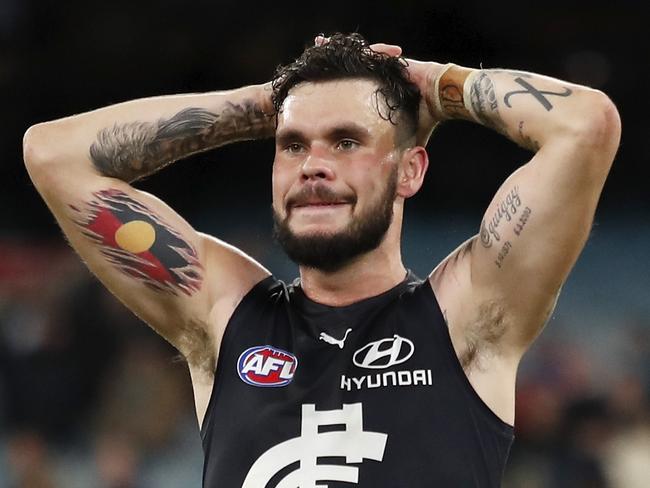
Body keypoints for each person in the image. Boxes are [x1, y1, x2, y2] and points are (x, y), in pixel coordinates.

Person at [23, 32, 620, 487]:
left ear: (409, 170)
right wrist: (271, 103)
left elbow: (584, 126)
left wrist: (436, 85)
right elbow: (52, 153)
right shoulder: (224, 315)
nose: (313, 163)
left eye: (347, 140)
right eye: (292, 145)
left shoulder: (467, 316)